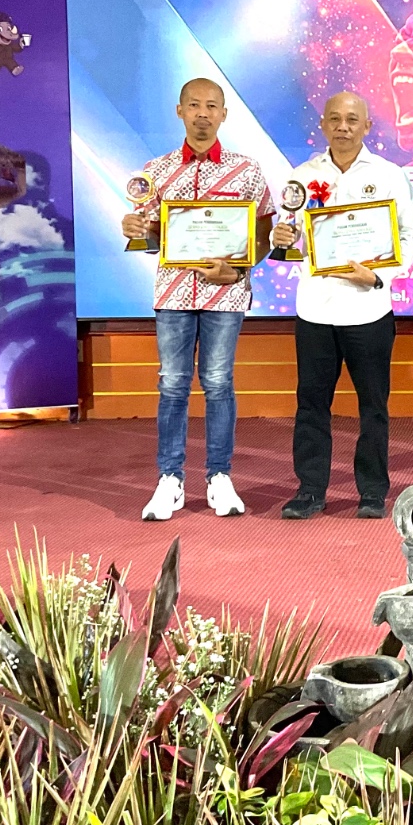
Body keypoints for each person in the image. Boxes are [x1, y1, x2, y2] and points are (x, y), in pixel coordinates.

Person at [121, 77, 273, 522]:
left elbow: (265, 233)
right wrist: (135, 228)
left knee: (219, 382)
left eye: (211, 106)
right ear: (180, 111)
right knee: (172, 383)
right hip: (173, 292)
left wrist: (238, 270)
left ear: (224, 114)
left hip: (226, 292)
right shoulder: (157, 171)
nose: (202, 113)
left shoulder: (247, 171)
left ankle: (219, 476)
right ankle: (169, 479)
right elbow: (153, 235)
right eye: (193, 105)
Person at [271, 92, 413, 521]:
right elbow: (291, 232)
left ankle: (372, 491)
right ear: (323, 124)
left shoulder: (390, 175)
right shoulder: (302, 176)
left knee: (373, 406)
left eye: (352, 119)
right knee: (311, 404)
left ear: (367, 126)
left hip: (368, 308)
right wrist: (282, 239)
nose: (343, 127)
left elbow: (412, 236)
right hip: (315, 310)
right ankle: (310, 490)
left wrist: (378, 276)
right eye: (335, 119)